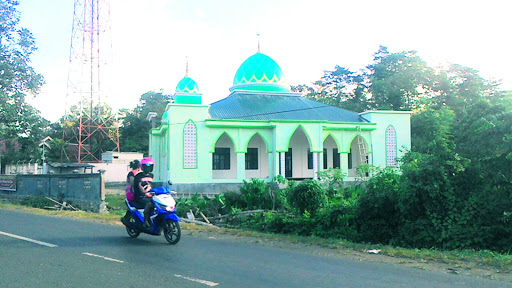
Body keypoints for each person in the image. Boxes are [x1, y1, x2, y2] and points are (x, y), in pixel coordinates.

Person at [132, 157, 155, 228]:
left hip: (149, 196)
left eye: (150, 167)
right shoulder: (139, 176)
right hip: (140, 197)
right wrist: (143, 192)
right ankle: (145, 221)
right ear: (142, 167)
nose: (148, 168)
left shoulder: (151, 175)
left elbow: (151, 185)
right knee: (149, 204)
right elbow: (139, 185)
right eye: (146, 167)